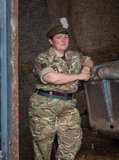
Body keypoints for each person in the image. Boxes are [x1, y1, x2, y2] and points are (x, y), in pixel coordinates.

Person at [28, 17, 94, 160]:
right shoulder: (43, 58)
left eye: (66, 37)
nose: (64, 40)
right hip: (45, 105)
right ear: (51, 41)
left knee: (73, 141)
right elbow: (51, 78)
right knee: (43, 146)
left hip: (68, 104)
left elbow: (88, 60)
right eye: (59, 37)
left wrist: (87, 69)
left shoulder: (74, 56)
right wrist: (79, 76)